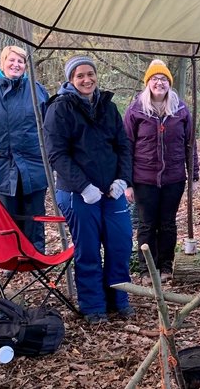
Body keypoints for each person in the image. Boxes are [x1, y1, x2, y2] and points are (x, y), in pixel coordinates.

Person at [44, 56, 134, 324]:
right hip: (78, 193)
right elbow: (57, 154)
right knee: (89, 249)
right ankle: (93, 306)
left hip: (111, 191)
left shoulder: (108, 107)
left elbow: (123, 146)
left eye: (90, 74)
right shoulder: (60, 109)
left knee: (120, 244)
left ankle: (119, 298)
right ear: (71, 80)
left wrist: (122, 179)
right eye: (80, 75)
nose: (86, 80)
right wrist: (83, 186)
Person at [124, 59, 200, 281]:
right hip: (143, 178)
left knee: (167, 223)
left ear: (170, 83)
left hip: (173, 178)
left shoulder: (181, 110)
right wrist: (127, 182)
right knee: (147, 224)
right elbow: (125, 146)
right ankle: (147, 269)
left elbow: (190, 144)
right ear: (148, 82)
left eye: (164, 79)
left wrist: (193, 175)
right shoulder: (136, 110)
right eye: (155, 78)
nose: (159, 82)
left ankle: (166, 267)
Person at [0, 45, 50, 252]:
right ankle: (11, 256)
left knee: (34, 216)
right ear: (2, 63)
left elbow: (49, 126)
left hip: (34, 165)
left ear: (25, 66)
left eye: (20, 61)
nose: (16, 65)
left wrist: (45, 156)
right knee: (6, 216)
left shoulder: (37, 90)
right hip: (2, 167)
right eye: (11, 60)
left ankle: (35, 256)